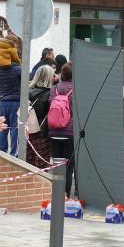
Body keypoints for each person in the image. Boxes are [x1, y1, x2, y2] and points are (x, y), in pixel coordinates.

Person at [49, 62, 77, 197]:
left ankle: (56, 196)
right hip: (70, 133)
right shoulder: (77, 89)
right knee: (68, 168)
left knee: (57, 168)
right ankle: (65, 197)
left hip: (54, 132)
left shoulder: (53, 89)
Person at [0, 46, 22, 156]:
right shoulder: (18, 69)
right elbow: (26, 81)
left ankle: (2, 152)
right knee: (14, 128)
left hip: (3, 102)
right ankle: (14, 153)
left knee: (3, 127)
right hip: (15, 102)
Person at [27, 65, 54, 168]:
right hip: (42, 132)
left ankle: (28, 184)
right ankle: (39, 184)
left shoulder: (28, 92)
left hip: (28, 131)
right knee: (42, 164)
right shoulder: (50, 94)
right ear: (49, 77)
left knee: (28, 162)